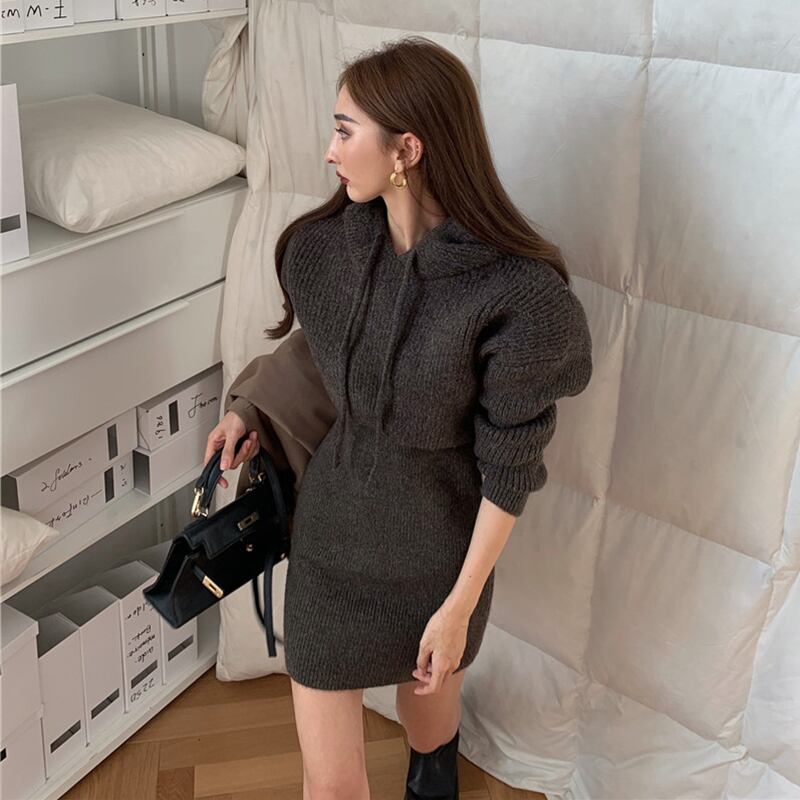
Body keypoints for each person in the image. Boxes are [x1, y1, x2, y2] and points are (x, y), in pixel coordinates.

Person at [204, 34, 593, 800]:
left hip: (438, 559)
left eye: (344, 130)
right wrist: (253, 406)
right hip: (330, 542)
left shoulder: (514, 298)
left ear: (406, 149)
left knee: (428, 722)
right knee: (330, 784)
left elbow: (509, 469)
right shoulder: (331, 249)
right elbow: (326, 347)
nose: (328, 150)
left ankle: (433, 766)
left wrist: (458, 607)